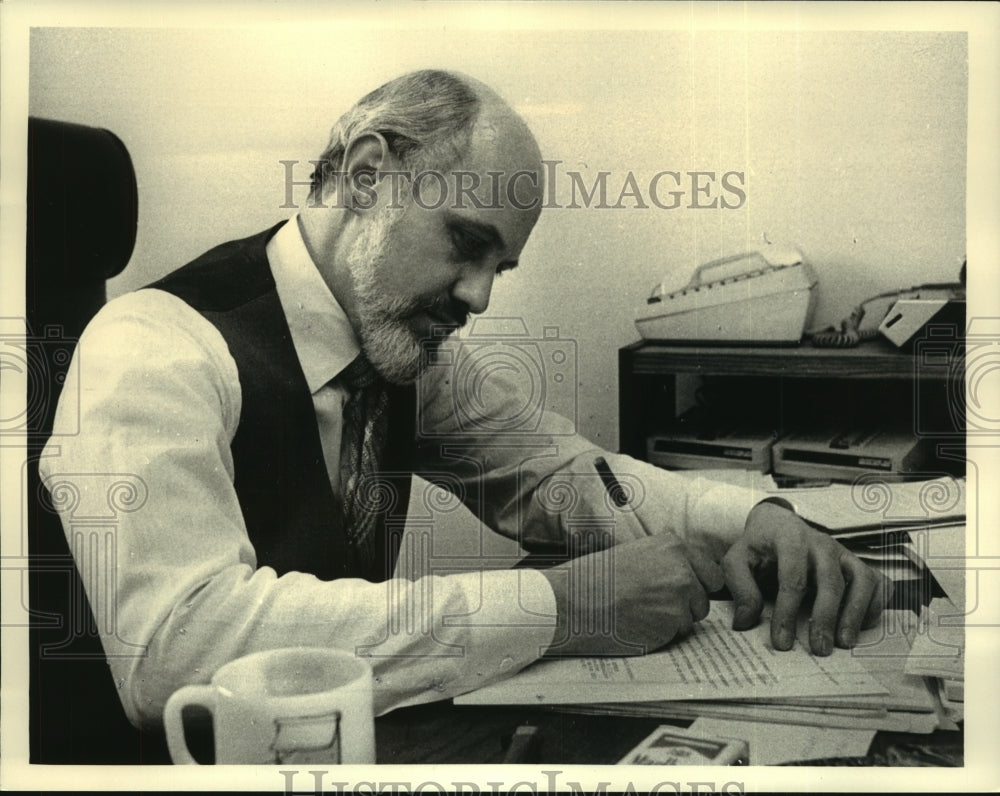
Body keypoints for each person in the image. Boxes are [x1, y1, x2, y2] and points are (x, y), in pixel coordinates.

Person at [40, 69, 889, 736]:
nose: (481, 298)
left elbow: (561, 474)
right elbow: (176, 651)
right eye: (465, 244)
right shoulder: (150, 345)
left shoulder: (400, 352)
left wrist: (753, 518)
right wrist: (565, 607)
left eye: (500, 268)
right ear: (368, 175)